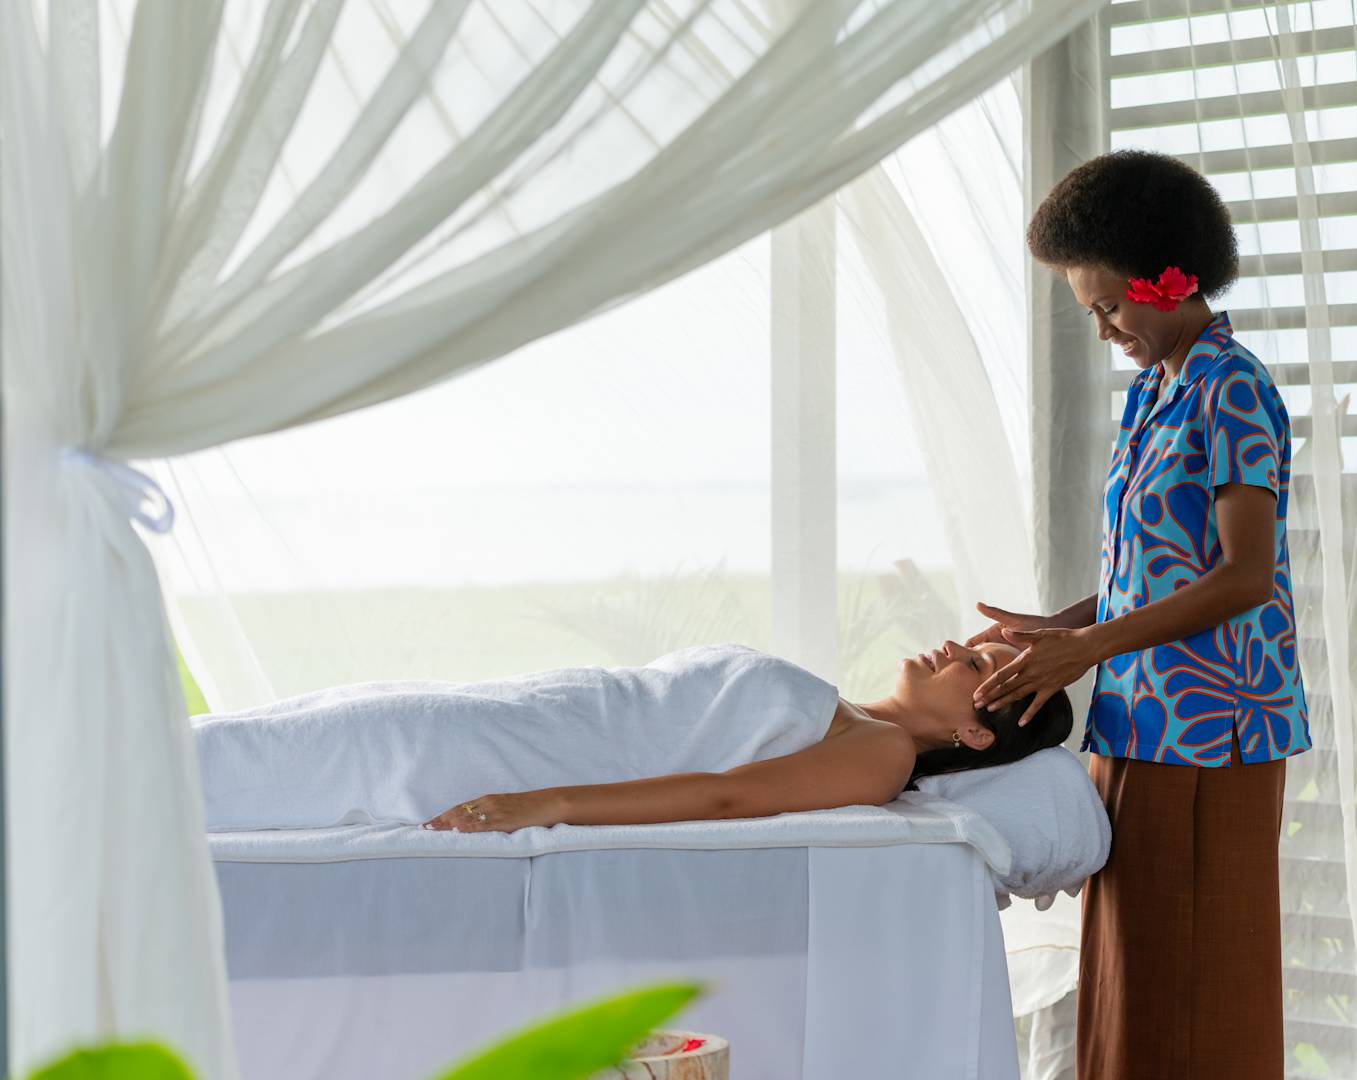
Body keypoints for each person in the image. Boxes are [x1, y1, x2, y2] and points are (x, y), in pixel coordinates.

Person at [970, 149, 1311, 1079]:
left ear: (1172, 276)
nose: (1104, 327)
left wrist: (1086, 645)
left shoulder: (1231, 386)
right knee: (1134, 980)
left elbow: (1246, 578)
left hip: (1214, 734)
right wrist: (1059, 627)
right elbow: (1153, 572)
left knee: (1202, 987)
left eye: (1109, 305)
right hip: (1135, 725)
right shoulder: (1153, 391)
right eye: (1092, 311)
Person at [422, 640, 1073, 833]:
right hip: (517, 710)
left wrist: (547, 803)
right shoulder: (844, 713)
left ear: (974, 734)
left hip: (519, 751)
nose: (957, 646)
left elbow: (726, 798)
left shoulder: (884, 750)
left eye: (980, 666)